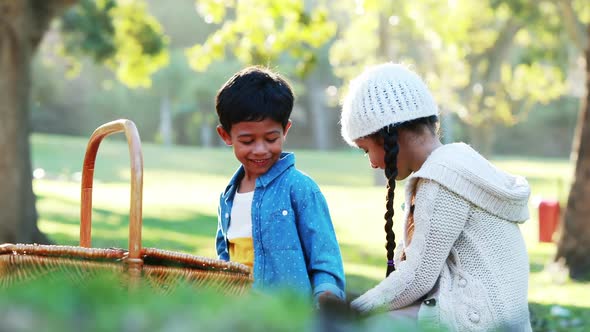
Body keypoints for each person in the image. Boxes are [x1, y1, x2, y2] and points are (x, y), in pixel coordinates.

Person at [339, 63, 532, 331]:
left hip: (479, 320)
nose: (371, 163)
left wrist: (351, 311)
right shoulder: (457, 163)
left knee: (366, 326)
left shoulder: (442, 178)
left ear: (388, 136)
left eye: (365, 149)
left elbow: (417, 277)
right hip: (500, 318)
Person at [214, 66, 346, 303]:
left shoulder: (301, 189)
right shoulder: (228, 197)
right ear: (226, 136)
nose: (260, 149)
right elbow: (225, 263)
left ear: (286, 130)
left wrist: (326, 301)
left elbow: (325, 259)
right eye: (247, 140)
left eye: (271, 138)